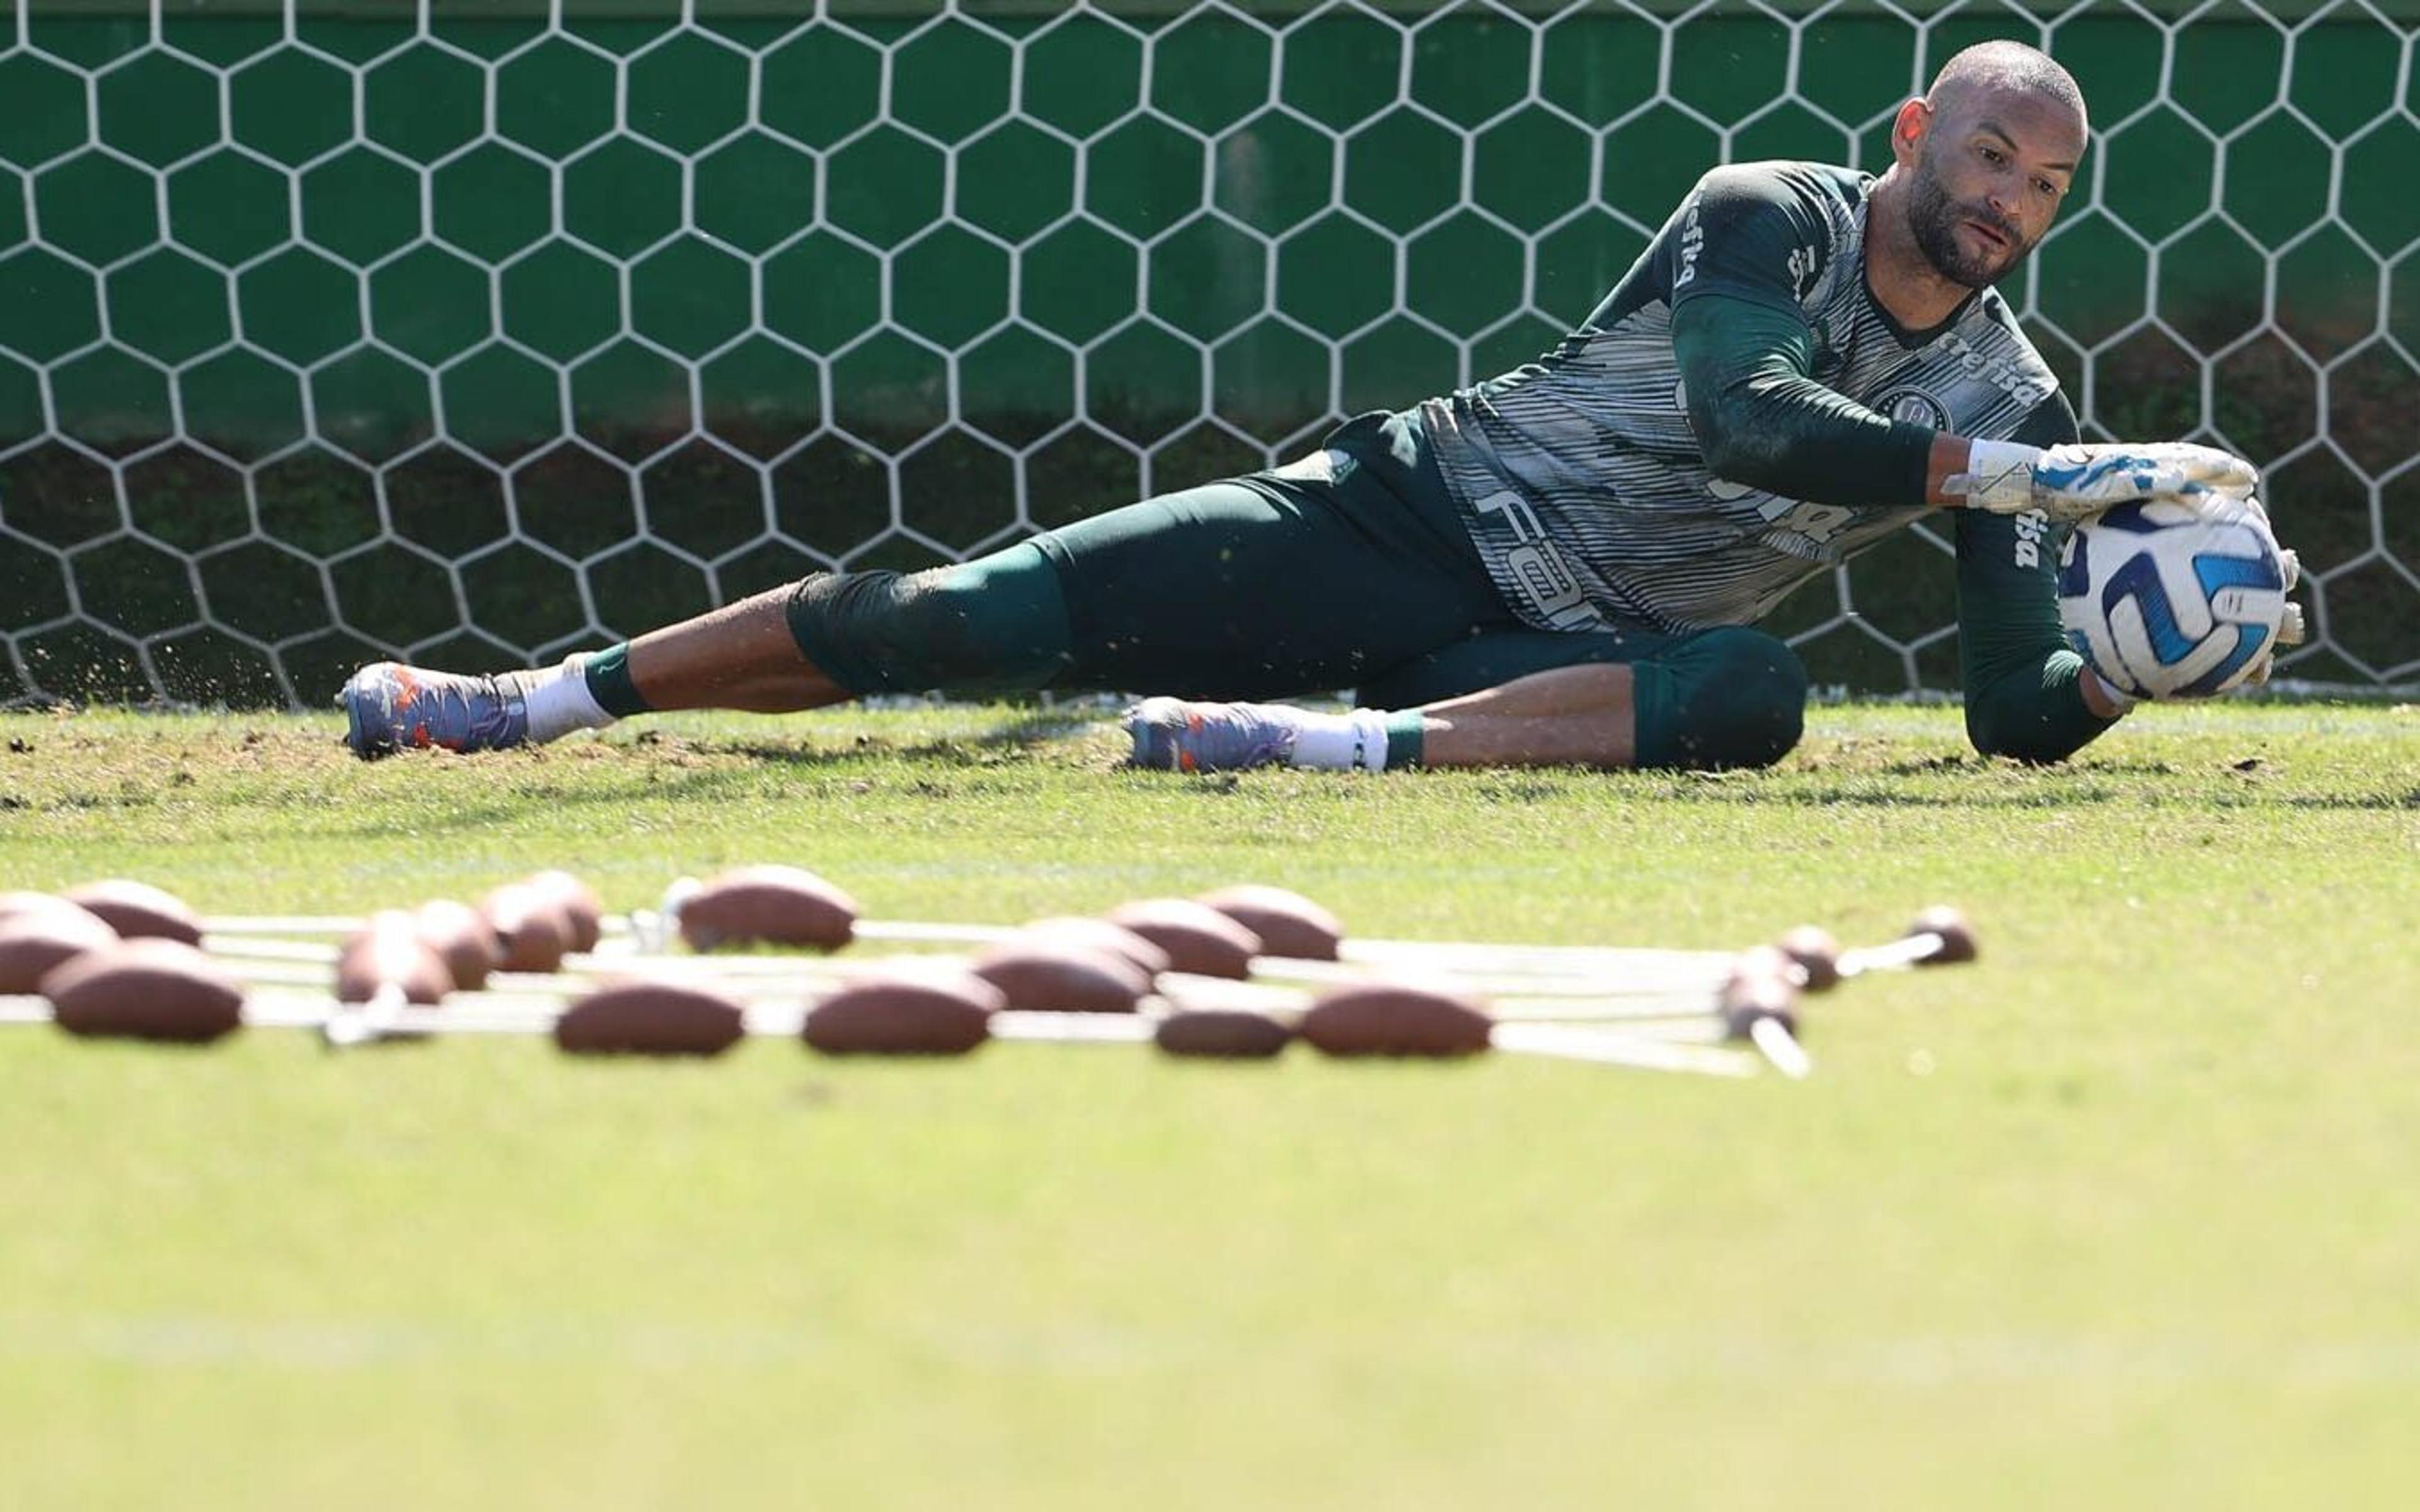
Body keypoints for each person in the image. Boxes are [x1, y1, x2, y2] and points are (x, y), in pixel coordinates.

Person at [342, 41, 2278, 774]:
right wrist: (2024, 470)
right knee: (957, 621)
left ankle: (1300, 747)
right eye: (1992, 154)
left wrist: (2131, 670)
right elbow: (1749, 428)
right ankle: (525, 700)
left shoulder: (2018, 402)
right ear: (1916, 132)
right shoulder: (1768, 212)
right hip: (1403, 515)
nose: (2008, 200)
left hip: (1550, 656)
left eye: (2046, 185)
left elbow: (2009, 708)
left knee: (1754, 699)